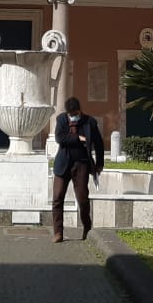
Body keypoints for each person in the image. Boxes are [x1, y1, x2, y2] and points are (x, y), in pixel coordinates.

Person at [51, 96, 103, 242]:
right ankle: (58, 232)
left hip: (81, 164)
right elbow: (60, 139)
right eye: (70, 114)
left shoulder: (89, 122)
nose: (72, 116)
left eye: (75, 113)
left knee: (82, 199)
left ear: (79, 110)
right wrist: (78, 138)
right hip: (63, 164)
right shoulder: (61, 120)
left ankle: (87, 228)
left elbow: (98, 144)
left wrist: (99, 164)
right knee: (57, 198)